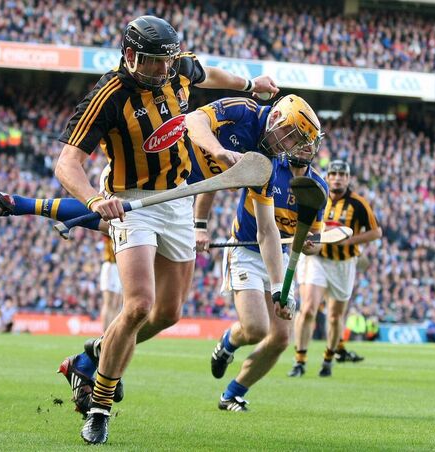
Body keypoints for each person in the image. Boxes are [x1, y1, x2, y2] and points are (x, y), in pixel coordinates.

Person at [52, 15, 278, 444]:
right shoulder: (108, 96)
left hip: (177, 197)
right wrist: (96, 201)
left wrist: (248, 85)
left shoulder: (177, 69)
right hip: (132, 201)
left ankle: (91, 356)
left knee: (168, 314)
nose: (163, 70)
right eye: (154, 62)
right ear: (131, 55)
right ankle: (99, 404)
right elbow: (67, 162)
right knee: (138, 306)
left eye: (167, 61)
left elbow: (208, 73)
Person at [191, 95, 327, 411]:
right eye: (295, 137)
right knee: (255, 329)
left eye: (305, 141)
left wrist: (310, 244)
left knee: (281, 338)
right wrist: (200, 224)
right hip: (248, 252)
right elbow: (218, 183)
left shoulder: (317, 186)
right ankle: (228, 343)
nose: (301, 146)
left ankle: (233, 393)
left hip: (279, 259)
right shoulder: (265, 163)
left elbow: (315, 237)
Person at [290, 160, 382, 377]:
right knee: (308, 308)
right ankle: (299, 360)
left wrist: (348, 241)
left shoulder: (358, 204)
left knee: (334, 316)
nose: (337, 178)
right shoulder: (316, 196)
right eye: (333, 174)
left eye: (342, 174)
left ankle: (328, 359)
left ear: (348, 178)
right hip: (316, 260)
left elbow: (376, 232)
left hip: (343, 264)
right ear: (328, 176)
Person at [99, 236, 123, 330]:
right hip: (111, 264)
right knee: (108, 303)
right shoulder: (111, 224)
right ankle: (104, 335)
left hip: (120, 265)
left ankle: (113, 333)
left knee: (117, 304)